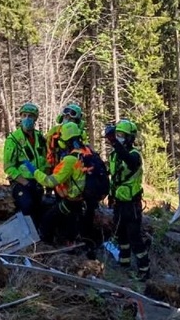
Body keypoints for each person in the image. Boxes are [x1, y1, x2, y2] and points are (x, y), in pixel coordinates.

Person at [40, 119, 107, 253]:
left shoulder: (70, 159)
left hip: (74, 200)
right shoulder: (88, 152)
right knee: (83, 224)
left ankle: (56, 246)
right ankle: (85, 247)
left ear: (65, 141)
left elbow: (51, 181)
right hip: (90, 199)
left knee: (51, 218)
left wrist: (34, 171)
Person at [106, 119, 150, 280]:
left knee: (134, 237)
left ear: (130, 137)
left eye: (122, 135)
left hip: (132, 205)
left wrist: (114, 143)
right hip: (119, 202)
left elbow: (130, 163)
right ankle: (124, 263)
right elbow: (114, 178)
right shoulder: (113, 156)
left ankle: (144, 269)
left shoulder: (134, 155)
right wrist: (110, 196)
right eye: (117, 135)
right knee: (120, 235)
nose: (119, 138)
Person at [3, 101, 50, 218]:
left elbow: (45, 160)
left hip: (38, 182)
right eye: (24, 116)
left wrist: (48, 181)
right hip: (21, 182)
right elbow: (9, 166)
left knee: (39, 211)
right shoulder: (13, 139)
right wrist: (25, 182)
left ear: (35, 119)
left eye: (30, 116)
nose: (27, 119)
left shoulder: (40, 137)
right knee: (27, 207)